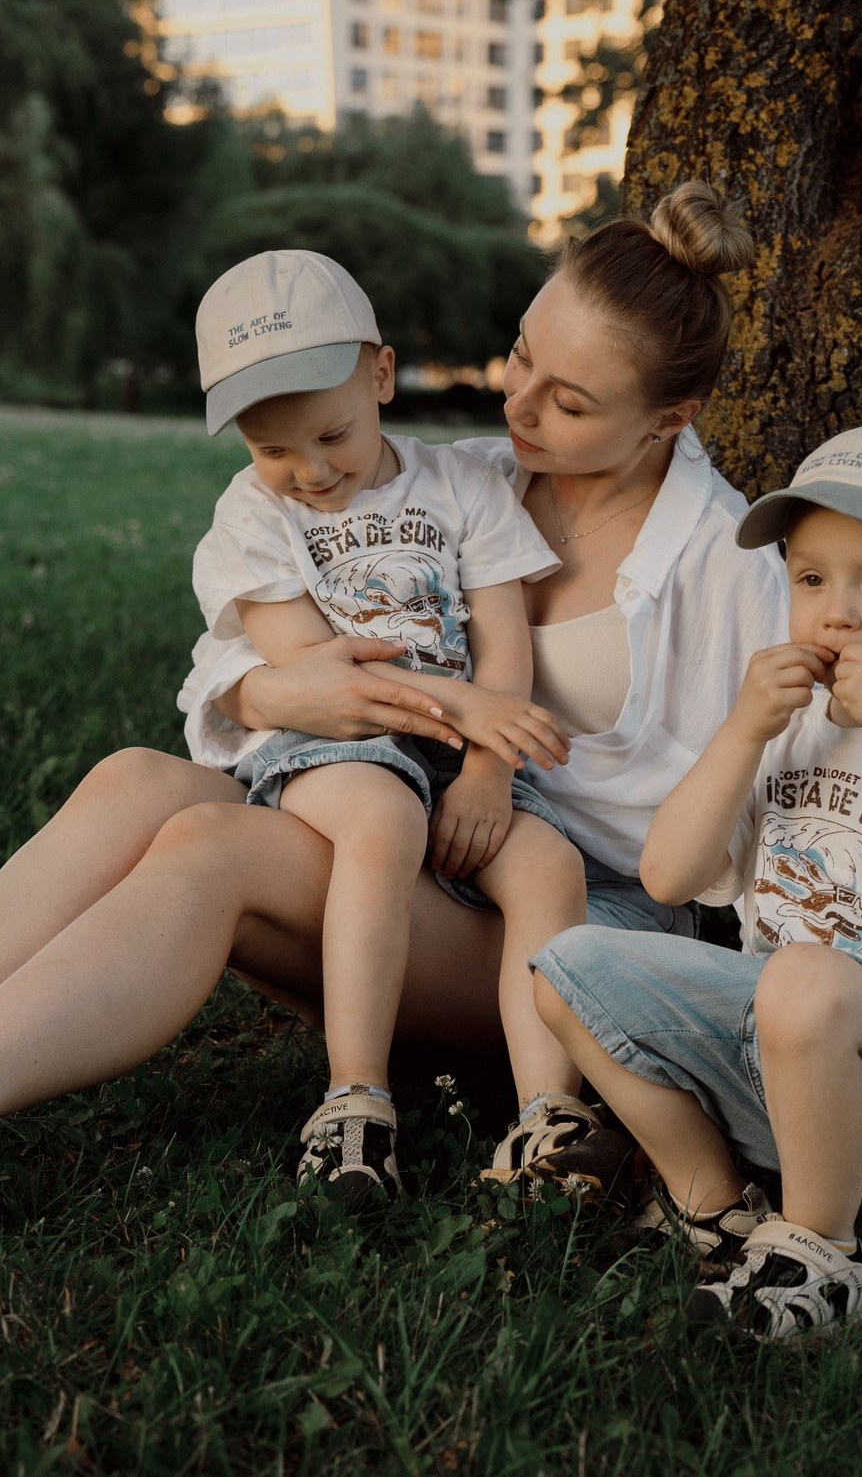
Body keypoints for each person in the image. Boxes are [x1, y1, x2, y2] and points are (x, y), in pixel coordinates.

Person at [0, 184, 790, 1232]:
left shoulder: (728, 567)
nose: (521, 403)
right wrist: (281, 685)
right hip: (419, 847)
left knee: (212, 846)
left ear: (665, 422)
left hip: (566, 926)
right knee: (136, 776)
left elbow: (766, 834)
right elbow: (224, 670)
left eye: (569, 400)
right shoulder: (471, 474)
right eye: (520, 356)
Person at [530, 426, 862, 1339]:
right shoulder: (778, 731)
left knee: (806, 975)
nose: (836, 613)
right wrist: (739, 731)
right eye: (810, 580)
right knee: (564, 967)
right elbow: (669, 874)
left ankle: (821, 1252)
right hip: (783, 1086)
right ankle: (717, 1209)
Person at [186, 248, 589, 1207]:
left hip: (463, 753)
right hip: (338, 743)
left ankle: (548, 1118)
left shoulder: (462, 486)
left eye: (332, 435)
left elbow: (501, 642)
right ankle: (355, 1096)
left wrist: (490, 772)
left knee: (548, 866)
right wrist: (469, 712)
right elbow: (312, 668)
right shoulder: (252, 514)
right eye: (272, 449)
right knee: (382, 820)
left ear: (381, 375)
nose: (309, 472)